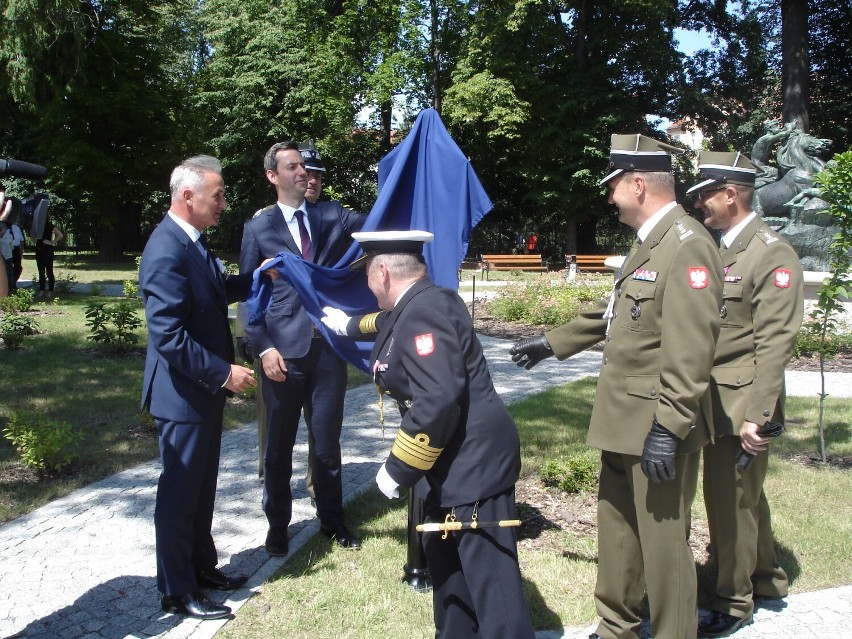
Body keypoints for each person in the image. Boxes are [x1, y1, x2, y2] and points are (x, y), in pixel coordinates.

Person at [510, 133, 723, 639]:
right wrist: (552, 342)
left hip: (656, 421)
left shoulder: (688, 246)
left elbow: (691, 350)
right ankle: (616, 626)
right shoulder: (650, 243)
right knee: (618, 529)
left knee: (664, 541)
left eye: (613, 187)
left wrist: (669, 427)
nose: (609, 198)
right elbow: (616, 315)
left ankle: (675, 632)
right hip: (622, 417)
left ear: (637, 183)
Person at [321, 230, 536, 639]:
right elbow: (385, 323)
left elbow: (437, 401)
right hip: (447, 460)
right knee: (449, 571)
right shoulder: (420, 302)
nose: (365, 282)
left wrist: (397, 468)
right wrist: (347, 325)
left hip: (473, 462)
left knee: (492, 586)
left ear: (382, 271)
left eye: (366, 273)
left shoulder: (424, 311)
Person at [140, 155, 277, 620]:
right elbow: (168, 335)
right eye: (217, 195)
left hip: (200, 393)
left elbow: (214, 292)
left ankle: (202, 567)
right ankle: (177, 590)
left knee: (201, 489)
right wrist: (223, 372)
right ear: (187, 196)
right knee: (180, 495)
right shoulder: (165, 249)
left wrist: (257, 277)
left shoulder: (193, 243)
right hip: (181, 396)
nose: (223, 203)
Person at [687, 151, 804, 638]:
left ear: (730, 194)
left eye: (704, 195)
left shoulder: (770, 252)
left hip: (742, 405)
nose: (698, 205)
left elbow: (775, 341)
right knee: (746, 497)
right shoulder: (721, 248)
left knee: (729, 499)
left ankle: (734, 602)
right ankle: (767, 578)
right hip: (717, 396)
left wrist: (759, 414)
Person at [238, 140, 366, 556]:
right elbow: (247, 293)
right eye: (292, 167)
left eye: (304, 167)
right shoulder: (258, 228)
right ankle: (278, 526)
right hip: (282, 355)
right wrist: (263, 348)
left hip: (328, 350)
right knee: (278, 448)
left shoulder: (331, 215)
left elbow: (376, 222)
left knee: (327, 445)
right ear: (273, 176)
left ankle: (333, 520)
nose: (303, 173)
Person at [236, 139, 328, 494]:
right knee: (274, 430)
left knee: (321, 429)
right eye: (306, 172)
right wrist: (254, 340)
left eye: (317, 174)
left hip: (319, 343)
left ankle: (316, 484)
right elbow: (249, 286)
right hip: (278, 344)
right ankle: (270, 479)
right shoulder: (263, 223)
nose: (311, 179)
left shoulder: (327, 222)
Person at [35, 213, 63, 298]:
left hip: (47, 249)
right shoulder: (37, 225)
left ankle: (51, 290)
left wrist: (52, 243)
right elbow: (32, 235)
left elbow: (60, 235)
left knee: (49, 270)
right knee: (41, 270)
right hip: (39, 249)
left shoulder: (49, 224)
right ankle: (42, 290)